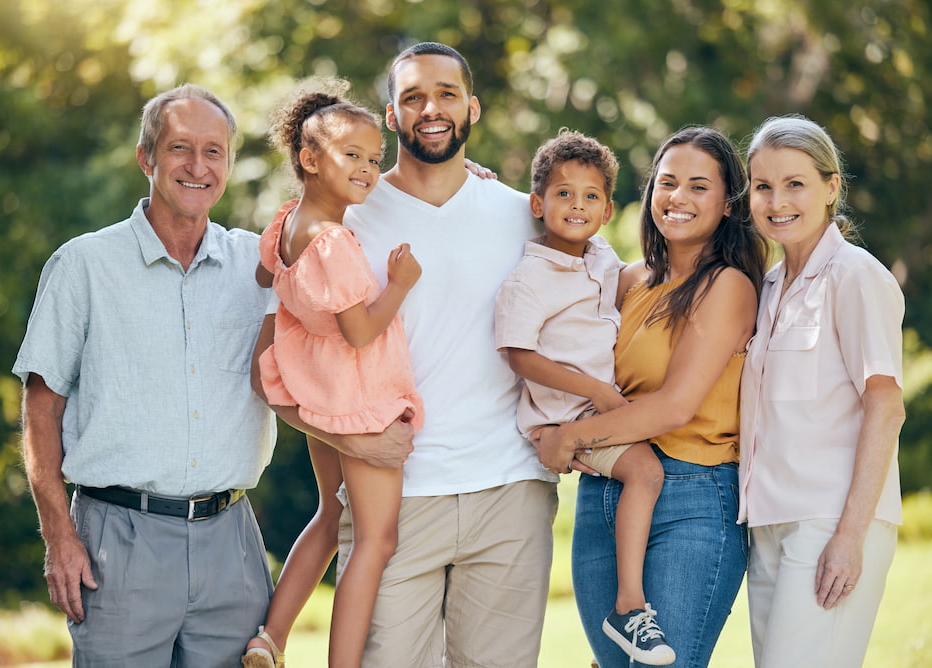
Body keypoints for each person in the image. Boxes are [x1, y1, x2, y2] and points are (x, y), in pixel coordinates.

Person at [252, 42, 558, 667]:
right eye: (412, 96)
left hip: (511, 494)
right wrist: (352, 442)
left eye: (446, 93)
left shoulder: (521, 215)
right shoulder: (343, 214)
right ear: (391, 116)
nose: (431, 108)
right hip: (395, 497)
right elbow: (269, 367)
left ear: (472, 108)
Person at [13, 84, 279, 667]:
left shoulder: (259, 265)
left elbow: (342, 227)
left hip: (231, 541)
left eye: (214, 152)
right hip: (117, 543)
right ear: (147, 158)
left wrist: (462, 181)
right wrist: (59, 537)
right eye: (180, 148)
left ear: (229, 165)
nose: (197, 166)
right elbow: (40, 410)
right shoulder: (83, 265)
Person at [533, 126, 769, 667]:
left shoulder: (728, 286)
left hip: (694, 497)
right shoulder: (625, 279)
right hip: (605, 498)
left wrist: (569, 438)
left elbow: (675, 405)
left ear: (728, 205)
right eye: (667, 183)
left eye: (698, 186)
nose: (677, 198)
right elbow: (555, 237)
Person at [241, 81, 424, 668]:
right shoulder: (334, 242)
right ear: (310, 158)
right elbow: (361, 332)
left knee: (331, 514)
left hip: (312, 383)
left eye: (375, 159)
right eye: (353, 156)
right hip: (357, 393)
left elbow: (267, 278)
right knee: (376, 539)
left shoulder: (288, 223)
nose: (369, 169)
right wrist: (399, 285)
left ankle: (271, 637)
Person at [494, 129, 675, 665]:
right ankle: (628, 607)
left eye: (591, 196)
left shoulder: (601, 257)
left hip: (598, 409)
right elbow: (519, 355)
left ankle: (607, 646)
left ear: (608, 208)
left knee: (652, 461)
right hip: (565, 415)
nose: (578, 205)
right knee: (645, 473)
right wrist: (596, 389)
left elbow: (628, 283)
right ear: (538, 203)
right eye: (564, 194)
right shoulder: (528, 279)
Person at [738, 115, 905, 668]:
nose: (776, 200)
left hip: (829, 520)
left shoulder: (857, 276)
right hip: (767, 521)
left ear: (831, 188)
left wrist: (850, 534)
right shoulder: (766, 286)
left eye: (795, 184)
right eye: (763, 185)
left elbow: (886, 405)